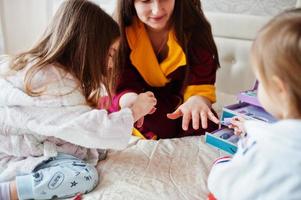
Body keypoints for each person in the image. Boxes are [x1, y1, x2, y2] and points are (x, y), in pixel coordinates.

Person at [0, 0, 156, 199]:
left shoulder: (50, 73)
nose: (110, 65)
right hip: (13, 156)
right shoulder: (50, 79)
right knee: (85, 176)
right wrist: (133, 112)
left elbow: (72, 119)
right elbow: (86, 126)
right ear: (89, 48)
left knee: (98, 147)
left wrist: (122, 112)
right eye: (109, 54)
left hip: (32, 143)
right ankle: (8, 192)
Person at [207, 8, 301, 199]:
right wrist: (250, 127)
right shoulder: (275, 137)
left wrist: (220, 166)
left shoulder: (264, 149)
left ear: (278, 88)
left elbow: (227, 187)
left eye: (260, 81)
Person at [109, 0, 220, 139]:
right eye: (145, 1)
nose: (157, 10)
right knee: (138, 115)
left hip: (182, 102)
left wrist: (198, 100)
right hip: (142, 99)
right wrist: (131, 100)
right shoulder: (120, 32)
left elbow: (201, 81)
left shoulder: (196, 28)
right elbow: (121, 82)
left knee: (203, 120)